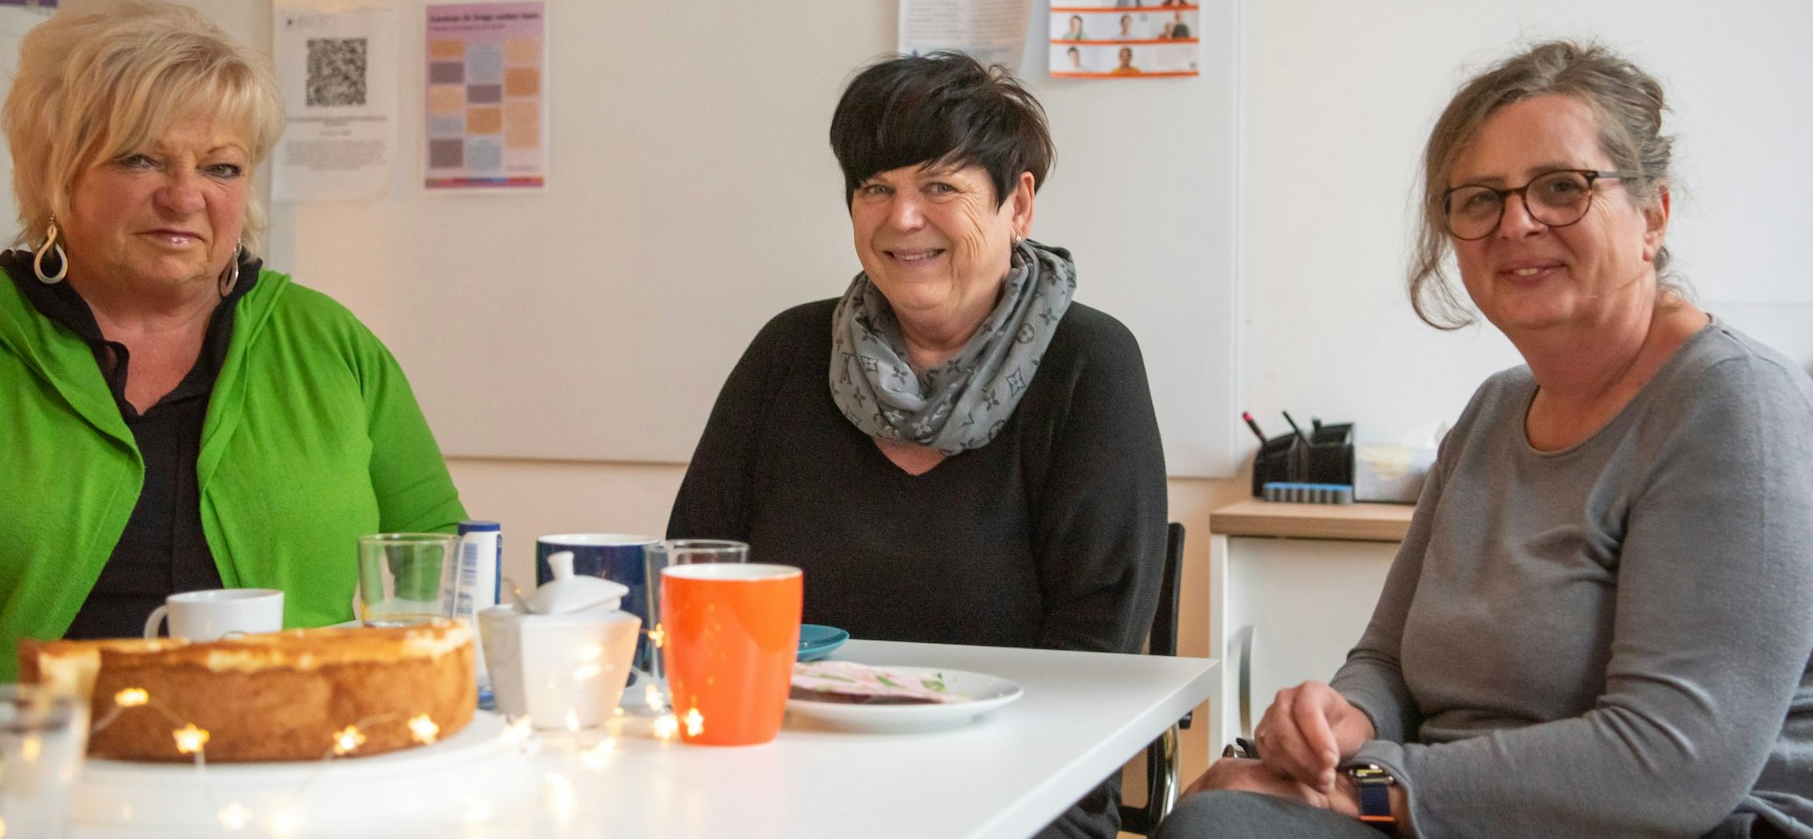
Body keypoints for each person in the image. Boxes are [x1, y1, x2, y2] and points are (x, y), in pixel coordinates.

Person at [1162, 41, 1813, 838]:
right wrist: (1343, 720)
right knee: (1216, 812)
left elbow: (1672, 763)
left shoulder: (1735, 404)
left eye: (1561, 187)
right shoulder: (1494, 409)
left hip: (1667, 826)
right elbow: (1388, 661)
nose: (1516, 222)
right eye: (1479, 198)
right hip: (1447, 811)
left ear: (1652, 216)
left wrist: (1364, 788)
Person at [0, 0, 467, 731]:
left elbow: (446, 573)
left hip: (284, 782)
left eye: (222, 168)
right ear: (58, 173)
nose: (185, 196)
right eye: (140, 159)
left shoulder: (331, 346)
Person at [668, 52, 1166, 838]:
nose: (903, 217)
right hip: (785, 778)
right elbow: (697, 577)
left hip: (1017, 794)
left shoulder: (1088, 366)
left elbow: (1092, 660)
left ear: (1019, 204)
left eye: (940, 185)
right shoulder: (788, 353)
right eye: (876, 188)